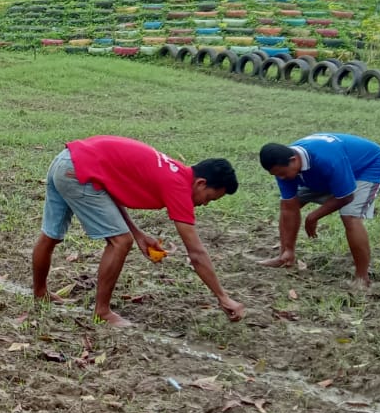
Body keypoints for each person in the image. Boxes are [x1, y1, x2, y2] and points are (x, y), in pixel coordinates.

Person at [31, 135, 244, 326]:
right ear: (201, 183)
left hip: (65, 160)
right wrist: (223, 297)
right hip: (77, 173)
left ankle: (40, 294)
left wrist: (138, 233)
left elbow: (109, 189)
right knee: (121, 242)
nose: (205, 204)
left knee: (51, 235)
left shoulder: (175, 171)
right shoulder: (178, 187)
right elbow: (196, 253)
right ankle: (102, 312)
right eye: (209, 198)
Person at [258, 134, 380, 289]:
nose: (281, 178)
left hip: (366, 167)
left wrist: (313, 217)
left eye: (282, 173)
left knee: (349, 215)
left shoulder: (327, 160)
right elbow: (289, 205)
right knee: (287, 206)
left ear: (294, 160)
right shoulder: (283, 165)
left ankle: (362, 277)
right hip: (326, 173)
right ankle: (286, 256)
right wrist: (287, 248)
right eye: (276, 175)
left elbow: (346, 196)